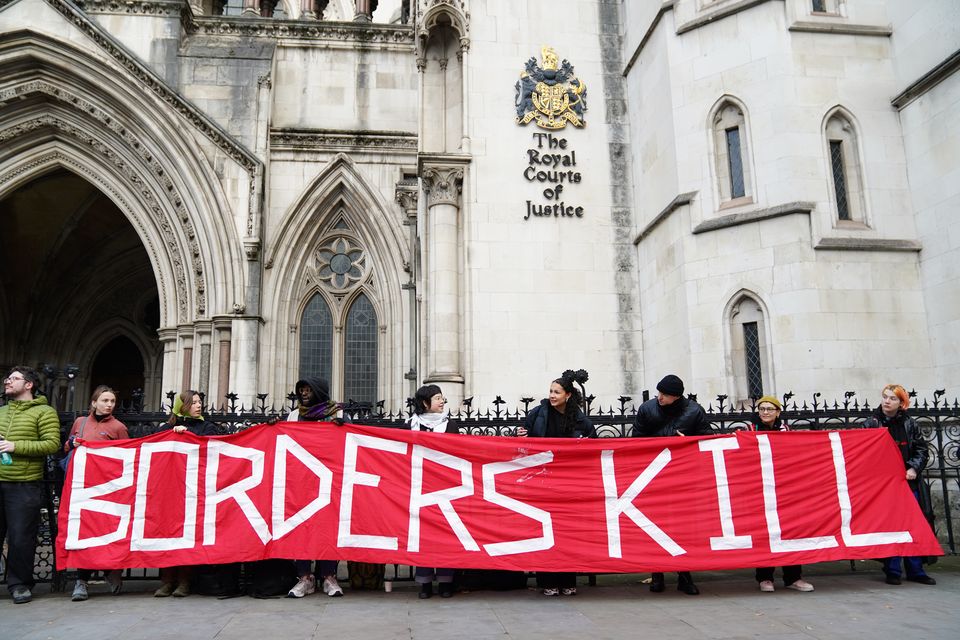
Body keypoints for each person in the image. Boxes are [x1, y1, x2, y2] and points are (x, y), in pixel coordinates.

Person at [518, 370, 596, 596]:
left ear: (568, 395)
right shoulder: (537, 413)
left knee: (566, 532)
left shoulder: (580, 419)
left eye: (556, 392)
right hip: (543, 482)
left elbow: (591, 445)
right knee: (544, 529)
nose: (552, 395)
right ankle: (547, 581)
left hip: (569, 484)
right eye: (550, 391)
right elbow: (524, 444)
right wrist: (521, 435)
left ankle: (568, 580)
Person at [631, 374, 708, 596]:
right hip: (653, 476)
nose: (659, 397)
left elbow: (707, 437)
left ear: (676, 396)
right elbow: (636, 439)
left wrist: (688, 441)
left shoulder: (694, 411)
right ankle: (657, 573)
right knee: (654, 526)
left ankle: (685, 575)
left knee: (682, 527)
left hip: (682, 477)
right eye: (659, 392)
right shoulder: (647, 409)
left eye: (664, 394)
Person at [863, 384, 936, 586]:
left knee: (913, 523)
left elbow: (921, 449)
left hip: (908, 481)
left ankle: (916, 570)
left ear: (901, 403)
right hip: (884, 485)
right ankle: (892, 570)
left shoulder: (910, 424)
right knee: (890, 525)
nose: (887, 401)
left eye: (892, 398)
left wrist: (913, 468)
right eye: (885, 397)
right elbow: (864, 454)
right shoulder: (871, 423)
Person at [0, 366, 61, 604]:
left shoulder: (44, 412)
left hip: (24, 484)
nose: (7, 381)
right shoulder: (2, 411)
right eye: (7, 378)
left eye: (14, 379)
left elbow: (52, 444)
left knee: (20, 538)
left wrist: (16, 446)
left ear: (28, 385)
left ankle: (19, 585)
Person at [65, 385, 130, 601]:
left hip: (107, 490)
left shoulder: (118, 427)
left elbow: (126, 455)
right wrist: (71, 443)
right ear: (94, 402)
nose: (109, 404)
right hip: (82, 489)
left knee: (105, 532)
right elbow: (66, 447)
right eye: (105, 400)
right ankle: (81, 581)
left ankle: (110, 571)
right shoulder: (80, 422)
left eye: (112, 401)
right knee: (83, 533)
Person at [153, 390, 219, 597]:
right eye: (194, 403)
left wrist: (189, 435)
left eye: (200, 402)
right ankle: (167, 581)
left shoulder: (206, 427)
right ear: (182, 406)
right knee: (168, 535)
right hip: (171, 491)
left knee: (188, 535)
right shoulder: (166, 428)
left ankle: (184, 581)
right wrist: (172, 434)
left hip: (195, 491)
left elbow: (218, 445)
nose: (199, 406)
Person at [746, 395, 814, 593]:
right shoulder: (749, 431)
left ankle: (793, 577)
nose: (765, 412)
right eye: (762, 409)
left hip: (786, 489)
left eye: (769, 409)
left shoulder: (788, 431)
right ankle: (765, 577)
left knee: (790, 532)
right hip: (759, 489)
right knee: (764, 533)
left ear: (778, 412)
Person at [285, 378, 345, 598]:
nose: (304, 394)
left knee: (327, 529)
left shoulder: (337, 414)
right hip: (301, 482)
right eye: (301, 390)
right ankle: (305, 578)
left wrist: (343, 429)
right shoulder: (293, 416)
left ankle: (329, 577)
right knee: (302, 529)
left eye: (309, 390)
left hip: (330, 482)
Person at [407, 384, 459, 599]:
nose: (442, 402)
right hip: (419, 485)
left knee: (445, 535)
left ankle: (446, 582)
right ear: (425, 402)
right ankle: (425, 583)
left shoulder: (451, 425)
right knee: (423, 537)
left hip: (444, 486)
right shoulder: (411, 425)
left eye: (442, 398)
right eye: (437, 398)